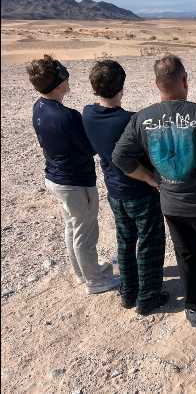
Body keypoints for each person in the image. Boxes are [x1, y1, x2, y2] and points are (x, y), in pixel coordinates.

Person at [112, 54, 196, 328]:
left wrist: (150, 178)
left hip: (171, 204)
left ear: (156, 84)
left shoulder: (142, 118)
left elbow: (120, 157)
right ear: (184, 80)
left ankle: (193, 308)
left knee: (186, 256)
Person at [28, 55, 119, 295]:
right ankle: (95, 281)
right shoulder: (67, 116)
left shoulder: (39, 106)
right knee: (85, 233)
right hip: (75, 182)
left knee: (72, 227)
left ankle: (82, 273)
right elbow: (89, 148)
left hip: (56, 178)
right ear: (59, 83)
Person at [82, 60, 167, 315]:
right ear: (121, 86)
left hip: (115, 192)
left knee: (125, 242)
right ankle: (149, 297)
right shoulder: (131, 120)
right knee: (150, 243)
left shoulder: (88, 113)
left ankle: (128, 292)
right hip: (140, 193)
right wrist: (152, 178)